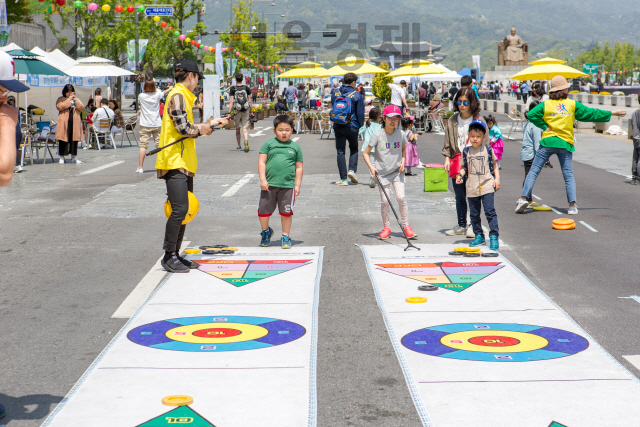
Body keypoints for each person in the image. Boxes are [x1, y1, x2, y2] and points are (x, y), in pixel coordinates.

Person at [155, 59, 228, 272]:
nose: (197, 83)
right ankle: (169, 255)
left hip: (183, 161)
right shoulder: (178, 95)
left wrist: (210, 125)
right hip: (174, 161)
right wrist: (204, 128)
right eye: (197, 78)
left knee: (185, 210)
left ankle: (176, 254)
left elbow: (187, 127)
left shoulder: (184, 96)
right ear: (191, 76)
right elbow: (183, 128)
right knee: (179, 210)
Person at [516, 76, 627, 215]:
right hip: (565, 143)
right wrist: (612, 112)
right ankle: (572, 206)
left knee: (533, 171)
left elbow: (530, 115)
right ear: (564, 90)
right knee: (568, 175)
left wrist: (544, 126)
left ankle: (522, 199)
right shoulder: (572, 104)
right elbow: (591, 113)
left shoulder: (545, 104)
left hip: (548, 142)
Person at [362, 105, 417, 240]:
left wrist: (403, 161)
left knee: (401, 197)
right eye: (390, 118)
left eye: (396, 118)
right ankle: (386, 227)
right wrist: (371, 167)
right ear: (384, 118)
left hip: (397, 171)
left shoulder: (401, 134)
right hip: (382, 173)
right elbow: (365, 153)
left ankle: (406, 226)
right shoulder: (377, 135)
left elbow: (404, 149)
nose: (393, 121)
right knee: (385, 201)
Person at [442, 87, 488, 237]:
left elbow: (485, 143)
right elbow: (448, 142)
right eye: (459, 101)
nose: (462, 105)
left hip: (474, 162)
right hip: (457, 162)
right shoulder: (452, 120)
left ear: (472, 103)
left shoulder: (478, 120)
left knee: (474, 195)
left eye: (465, 102)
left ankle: (473, 225)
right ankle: (461, 224)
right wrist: (447, 159)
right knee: (459, 195)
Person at [258, 115, 304, 249]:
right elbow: (262, 162)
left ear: (292, 130)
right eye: (280, 130)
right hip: (269, 185)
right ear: (274, 131)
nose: (284, 133)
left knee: (286, 212)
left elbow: (299, 167)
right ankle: (265, 231)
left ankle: (285, 235)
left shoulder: (295, 147)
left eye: (287, 130)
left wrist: (297, 185)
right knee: (263, 211)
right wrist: (263, 180)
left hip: (287, 186)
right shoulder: (268, 144)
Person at [456, 120, 500, 250]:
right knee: (474, 214)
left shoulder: (488, 149)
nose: (475, 139)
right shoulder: (466, 151)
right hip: (471, 187)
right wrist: (460, 175)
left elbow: (495, 165)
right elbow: (464, 168)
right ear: (468, 135)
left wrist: (497, 179)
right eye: (473, 136)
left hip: (487, 184)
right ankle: (478, 235)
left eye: (478, 136)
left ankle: (493, 236)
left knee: (490, 211)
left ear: (484, 137)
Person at [331, 72, 365, 186]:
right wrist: (359, 126)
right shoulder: (356, 95)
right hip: (352, 125)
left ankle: (343, 179)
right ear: (353, 82)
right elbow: (360, 113)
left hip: (338, 124)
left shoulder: (336, 92)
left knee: (340, 151)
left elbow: (334, 106)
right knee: (354, 148)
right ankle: (352, 170)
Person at [137, 80, 173, 173]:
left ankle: (140, 167)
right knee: (159, 145)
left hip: (145, 123)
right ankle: (164, 165)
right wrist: (169, 88)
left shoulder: (141, 96)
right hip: (157, 123)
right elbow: (163, 92)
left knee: (143, 146)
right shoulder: (157, 95)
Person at [55, 84, 85, 164]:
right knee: (63, 138)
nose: (70, 93)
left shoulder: (76, 99)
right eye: (68, 92)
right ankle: (62, 156)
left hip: (74, 122)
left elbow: (82, 108)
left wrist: (75, 101)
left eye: (71, 92)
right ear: (65, 92)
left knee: (74, 139)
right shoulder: (61, 99)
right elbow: (59, 107)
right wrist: (68, 100)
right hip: (64, 122)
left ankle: (73, 156)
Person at [521, 100, 543, 203]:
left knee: (528, 175)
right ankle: (526, 198)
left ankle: (527, 198)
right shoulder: (536, 125)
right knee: (529, 176)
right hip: (531, 154)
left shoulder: (529, 122)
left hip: (526, 153)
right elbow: (537, 144)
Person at [228, 73, 254, 153]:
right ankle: (246, 140)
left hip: (237, 110)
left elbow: (231, 101)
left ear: (235, 79)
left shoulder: (232, 88)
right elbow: (249, 101)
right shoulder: (246, 88)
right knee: (245, 127)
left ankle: (239, 146)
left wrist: (229, 112)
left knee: (237, 128)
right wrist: (251, 111)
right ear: (243, 79)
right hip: (245, 110)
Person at [359, 106, 382, 188]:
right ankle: (376, 179)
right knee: (378, 163)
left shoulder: (368, 124)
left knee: (371, 164)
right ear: (379, 115)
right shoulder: (380, 126)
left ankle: (372, 176)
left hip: (368, 147)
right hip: (377, 146)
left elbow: (360, 131)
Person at [630, 94, 640, 184]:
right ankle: (639, 177)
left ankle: (634, 177)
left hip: (636, 138)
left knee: (635, 157)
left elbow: (633, 125)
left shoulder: (634, 113)